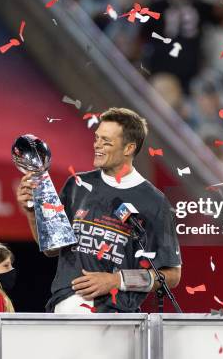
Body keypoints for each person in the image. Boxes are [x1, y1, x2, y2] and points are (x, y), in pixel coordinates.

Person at [17, 107, 182, 313]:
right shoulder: (77, 185)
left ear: (129, 148)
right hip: (63, 308)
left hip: (114, 317)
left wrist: (116, 281)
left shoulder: (155, 201)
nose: (97, 145)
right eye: (96, 138)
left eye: (106, 141)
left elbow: (172, 275)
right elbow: (52, 248)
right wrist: (33, 213)